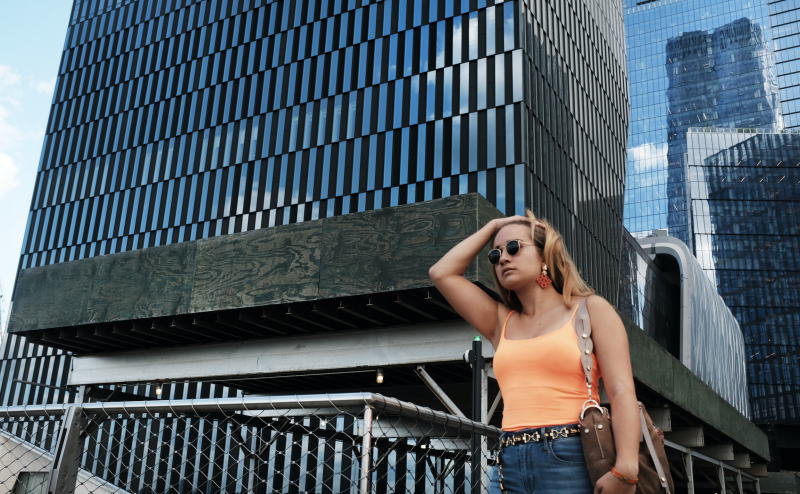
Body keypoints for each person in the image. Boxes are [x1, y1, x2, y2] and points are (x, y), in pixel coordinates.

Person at [429, 211, 639, 494]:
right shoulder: (500, 322)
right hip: (508, 460)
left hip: (572, 454)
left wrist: (626, 468)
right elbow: (441, 273)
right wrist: (494, 225)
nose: (503, 258)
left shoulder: (591, 310)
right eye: (496, 254)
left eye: (514, 247)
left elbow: (622, 390)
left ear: (545, 256)